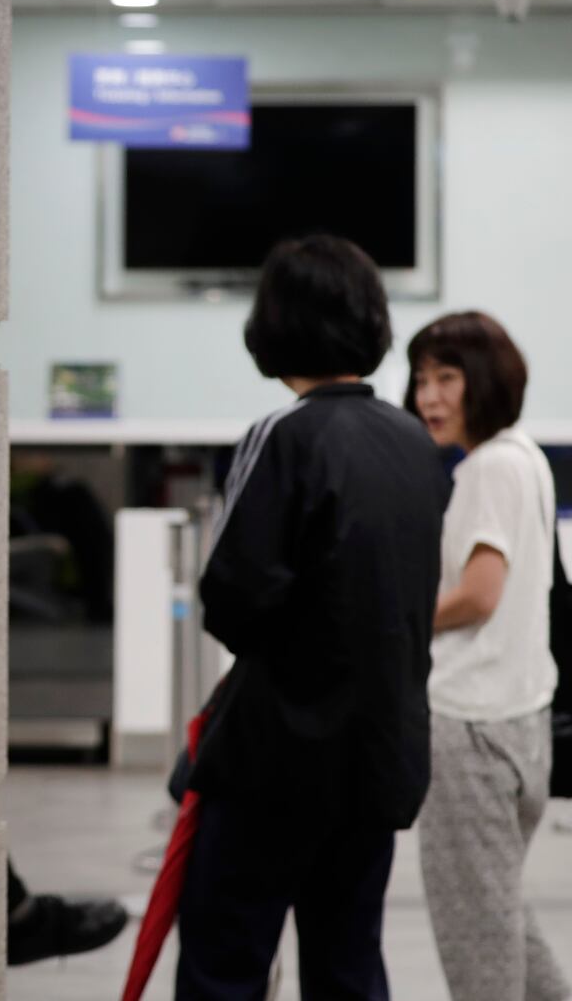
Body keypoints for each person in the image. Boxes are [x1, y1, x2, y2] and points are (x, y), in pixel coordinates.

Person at [175, 235, 448, 1000]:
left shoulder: (283, 435)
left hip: (277, 761)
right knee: (349, 964)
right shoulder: (414, 443)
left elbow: (232, 597)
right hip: (380, 757)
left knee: (226, 963)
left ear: (274, 326)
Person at [403, 312, 571, 1001]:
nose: (430, 398)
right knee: (500, 916)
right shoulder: (525, 456)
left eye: (448, 378)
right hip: (520, 726)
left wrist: (397, 621)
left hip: (470, 730)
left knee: (479, 952)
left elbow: (478, 595)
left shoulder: (487, 470)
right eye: (420, 380)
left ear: (486, 381)